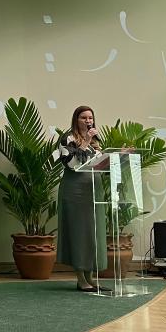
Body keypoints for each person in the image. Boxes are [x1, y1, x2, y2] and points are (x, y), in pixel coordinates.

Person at [55, 105, 107, 291]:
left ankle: (90, 278)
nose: (88, 121)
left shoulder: (96, 141)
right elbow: (71, 163)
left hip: (94, 190)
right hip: (75, 191)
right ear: (76, 120)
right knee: (80, 232)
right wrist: (85, 142)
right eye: (84, 117)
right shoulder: (67, 138)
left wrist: (120, 155)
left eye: (90, 118)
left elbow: (99, 162)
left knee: (93, 232)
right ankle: (81, 279)